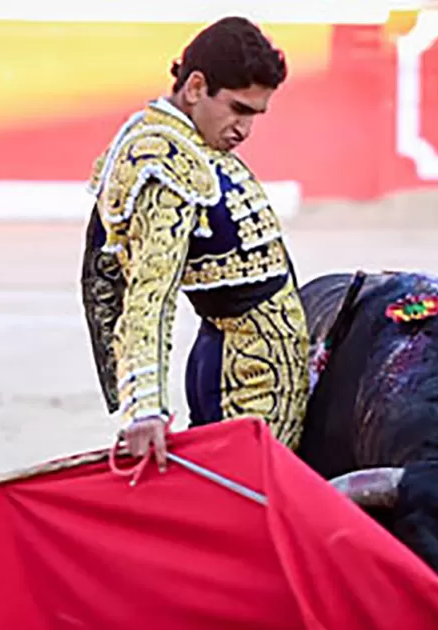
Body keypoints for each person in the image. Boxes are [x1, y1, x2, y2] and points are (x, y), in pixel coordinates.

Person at [79, 16, 311, 472]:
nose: (244, 129)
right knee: (242, 499)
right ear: (196, 87)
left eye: (255, 115)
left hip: (230, 357)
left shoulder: (177, 140)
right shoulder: (165, 164)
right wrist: (144, 407)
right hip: (245, 376)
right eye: (238, 109)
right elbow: (149, 295)